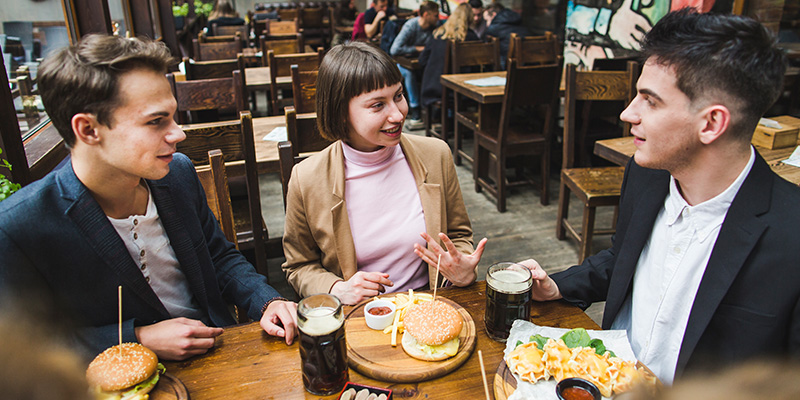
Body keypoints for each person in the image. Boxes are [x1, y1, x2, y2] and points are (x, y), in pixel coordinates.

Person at [518, 9, 797, 384]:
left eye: (650, 100)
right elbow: (624, 257)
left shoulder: (791, 235)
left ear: (711, 123)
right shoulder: (646, 174)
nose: (627, 112)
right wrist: (556, 285)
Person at [0, 34, 298, 361]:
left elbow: (218, 256)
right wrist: (136, 339)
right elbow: (21, 348)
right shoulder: (19, 226)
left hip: (220, 353)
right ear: (87, 130)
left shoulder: (178, 173)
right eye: (156, 122)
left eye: (172, 116)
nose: (178, 134)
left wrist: (267, 301)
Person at [282, 42, 487, 305]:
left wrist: (459, 269)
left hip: (429, 303)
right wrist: (336, 288)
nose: (398, 114)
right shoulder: (307, 178)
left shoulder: (436, 155)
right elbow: (298, 266)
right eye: (378, 105)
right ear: (340, 113)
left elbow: (458, 235)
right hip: (358, 314)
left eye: (399, 96)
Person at [419, 3, 479, 110]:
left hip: (432, 88)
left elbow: (422, 61)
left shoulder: (438, 33)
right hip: (456, 91)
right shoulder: (470, 37)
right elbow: (476, 68)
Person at [390, 1, 440, 128]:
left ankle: (432, 111)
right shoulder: (411, 26)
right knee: (408, 72)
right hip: (401, 64)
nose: (438, 18)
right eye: (435, 15)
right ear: (426, 14)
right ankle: (415, 109)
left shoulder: (436, 27)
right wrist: (416, 49)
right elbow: (394, 49)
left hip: (421, 63)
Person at [483, 3, 530, 68]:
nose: (487, 24)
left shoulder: (494, 27)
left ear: (494, 15)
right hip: (528, 62)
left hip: (508, 66)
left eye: (487, 20)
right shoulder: (517, 20)